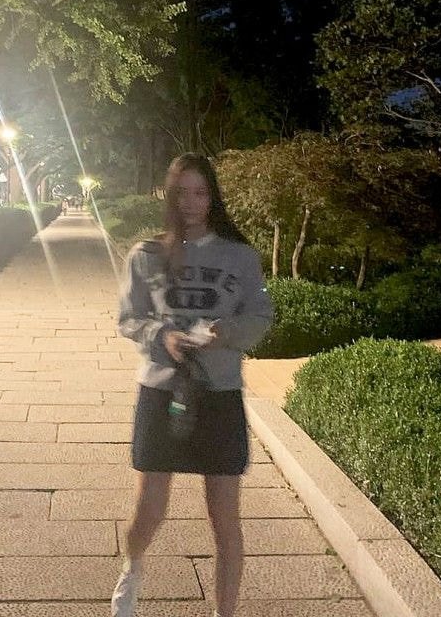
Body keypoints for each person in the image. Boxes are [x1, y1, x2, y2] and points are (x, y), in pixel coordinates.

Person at [111, 152, 275, 617]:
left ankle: (225, 612)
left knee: (224, 517)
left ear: (212, 197)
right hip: (162, 390)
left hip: (219, 393)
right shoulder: (146, 254)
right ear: (169, 195)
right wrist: (162, 335)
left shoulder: (240, 256)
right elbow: (128, 317)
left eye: (200, 192)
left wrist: (227, 331)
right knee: (149, 510)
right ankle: (132, 568)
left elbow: (260, 316)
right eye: (181, 192)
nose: (190, 202)